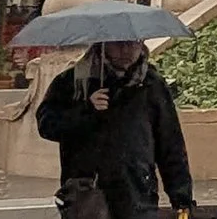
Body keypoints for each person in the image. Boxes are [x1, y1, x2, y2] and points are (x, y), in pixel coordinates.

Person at [37, 41, 193, 219]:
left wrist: (182, 199)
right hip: (87, 196)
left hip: (138, 194)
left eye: (133, 43)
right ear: (103, 44)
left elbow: (170, 144)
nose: (126, 49)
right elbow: (47, 125)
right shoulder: (72, 82)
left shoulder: (151, 84)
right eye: (118, 43)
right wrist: (86, 110)